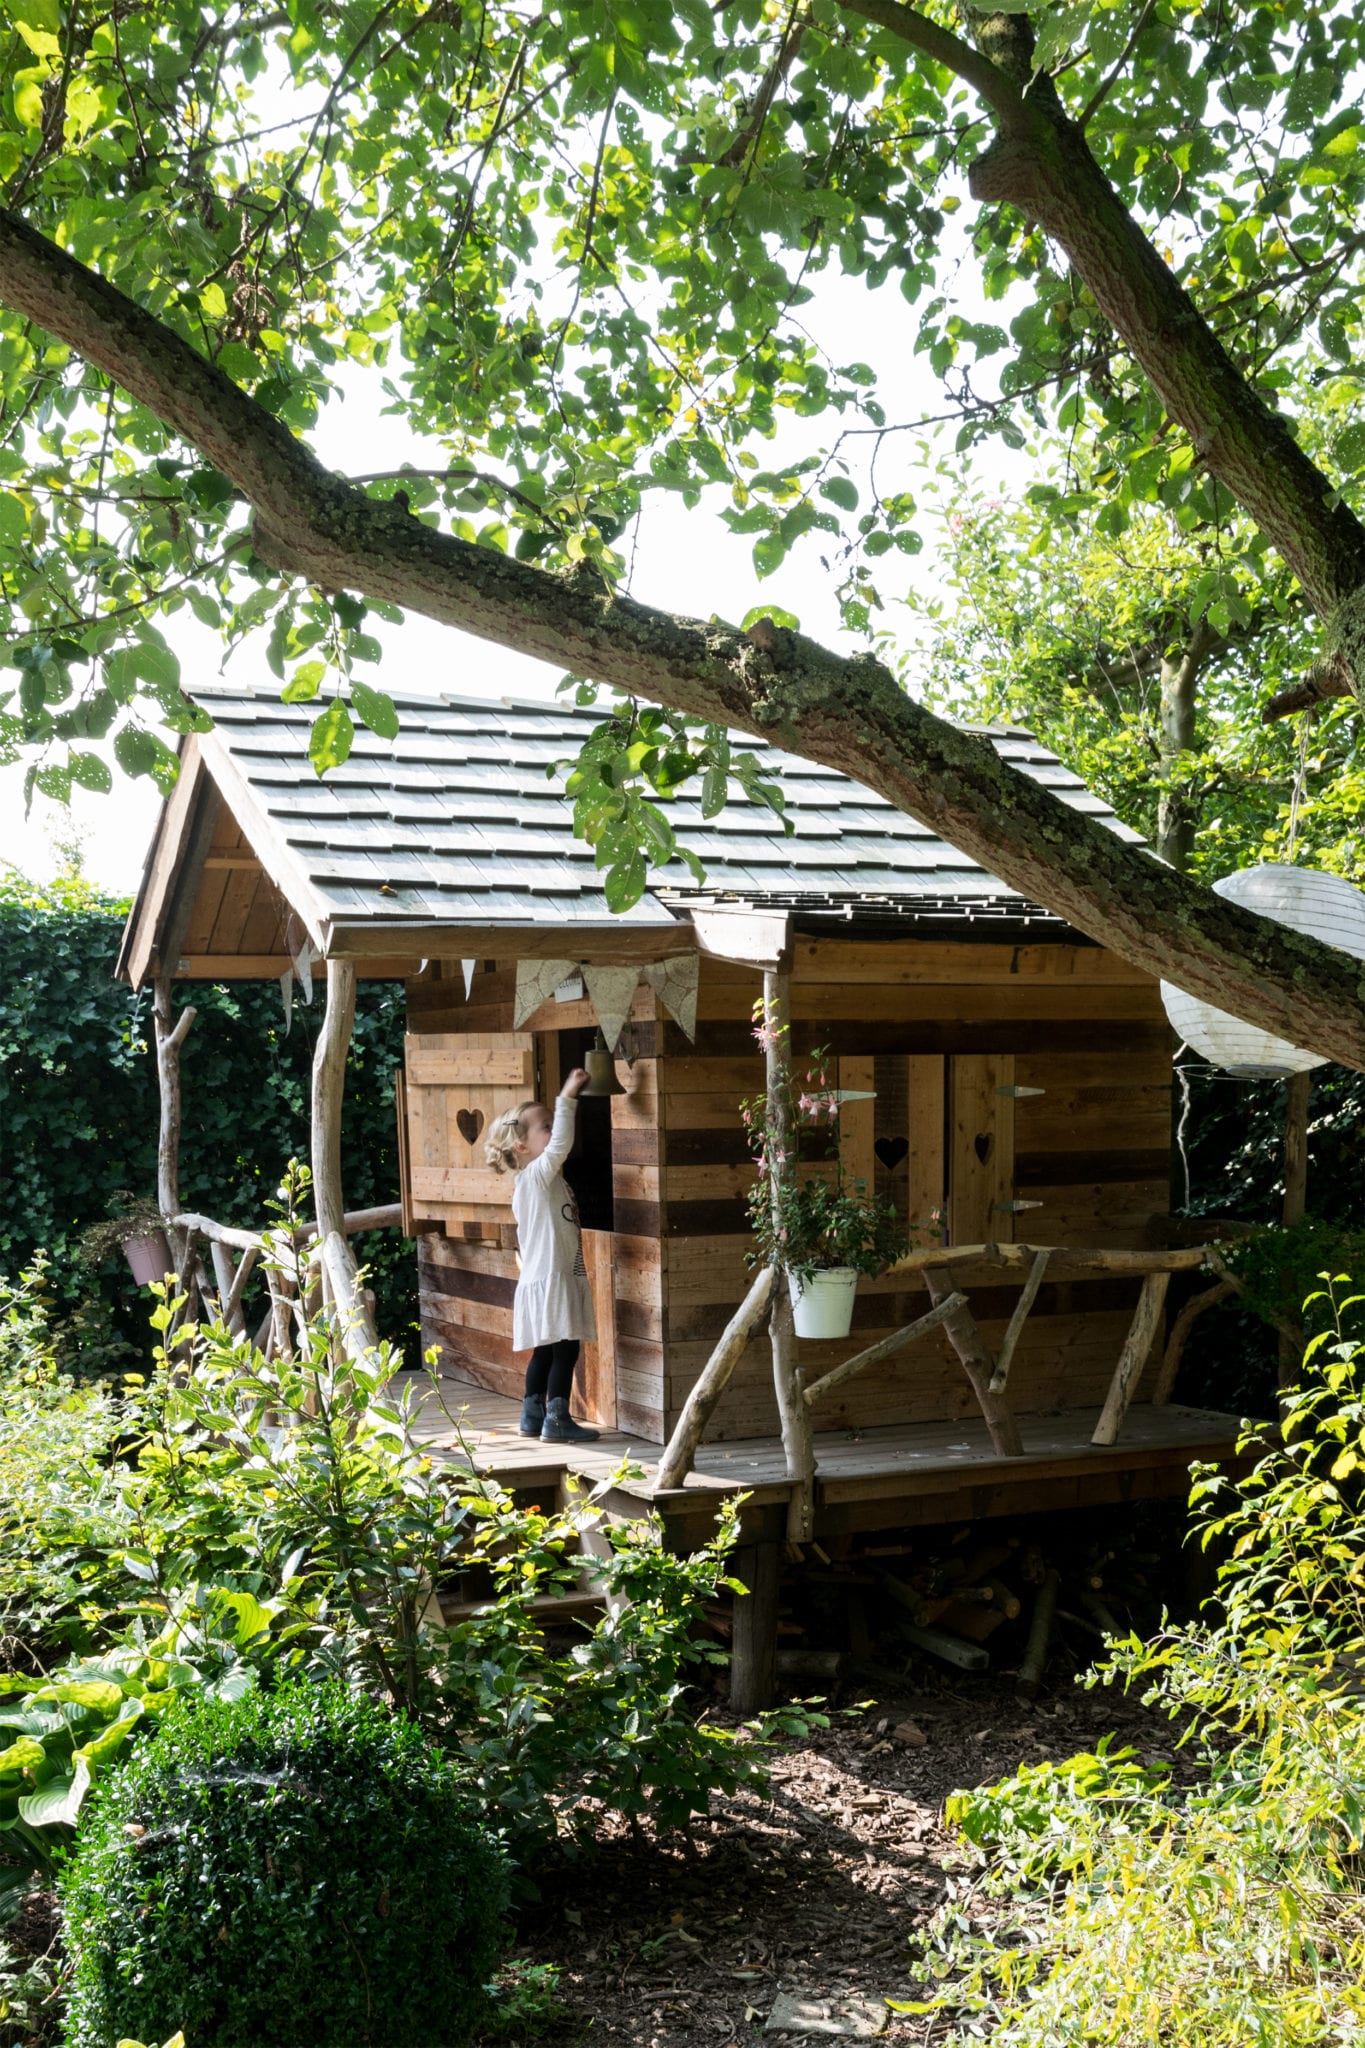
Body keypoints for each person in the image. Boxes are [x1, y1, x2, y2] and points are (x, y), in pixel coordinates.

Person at [484, 1068, 600, 1443]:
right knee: (565, 1350)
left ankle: (531, 1415)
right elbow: (561, 1145)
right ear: (522, 1147)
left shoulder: (535, 1183)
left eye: (552, 1124)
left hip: (544, 1278)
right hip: (553, 1277)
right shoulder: (536, 1177)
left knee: (545, 1353)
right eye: (545, 1127)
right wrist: (567, 1097)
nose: (553, 1134)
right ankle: (557, 1418)